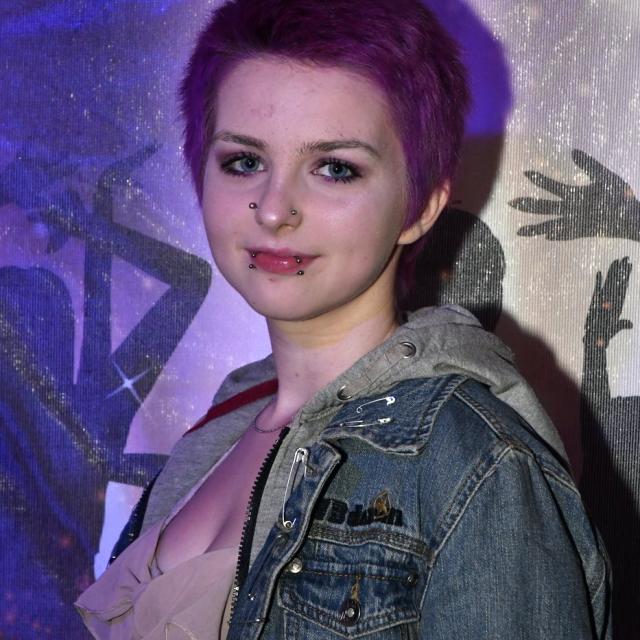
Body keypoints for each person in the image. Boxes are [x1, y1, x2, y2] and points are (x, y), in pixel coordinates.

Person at [76, 0, 612, 638]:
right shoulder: (221, 428)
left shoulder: (473, 462)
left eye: (335, 168)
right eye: (244, 161)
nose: (273, 209)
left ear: (421, 206)